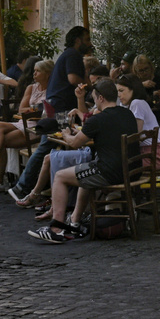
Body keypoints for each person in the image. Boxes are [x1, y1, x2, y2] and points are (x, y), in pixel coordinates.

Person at [29, 77, 139, 243]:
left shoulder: (97, 120)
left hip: (110, 172)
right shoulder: (128, 114)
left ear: (101, 98)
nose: (94, 102)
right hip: (132, 170)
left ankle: (56, 228)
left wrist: (66, 133)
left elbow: (74, 143)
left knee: (60, 176)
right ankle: (74, 221)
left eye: (94, 98)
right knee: (84, 171)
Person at [0, 58, 54, 193]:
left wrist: (32, 110)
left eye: (38, 71)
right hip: (25, 122)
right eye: (34, 71)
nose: (34, 74)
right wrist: (34, 109)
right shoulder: (31, 87)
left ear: (47, 74)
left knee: (0, 141)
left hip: (38, 126)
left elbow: (47, 111)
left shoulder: (52, 90)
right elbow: (21, 109)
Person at [47, 26, 90, 117]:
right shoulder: (73, 54)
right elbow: (73, 79)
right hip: (62, 105)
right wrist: (89, 86)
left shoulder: (69, 54)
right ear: (78, 41)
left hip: (56, 103)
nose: (90, 44)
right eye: (87, 40)